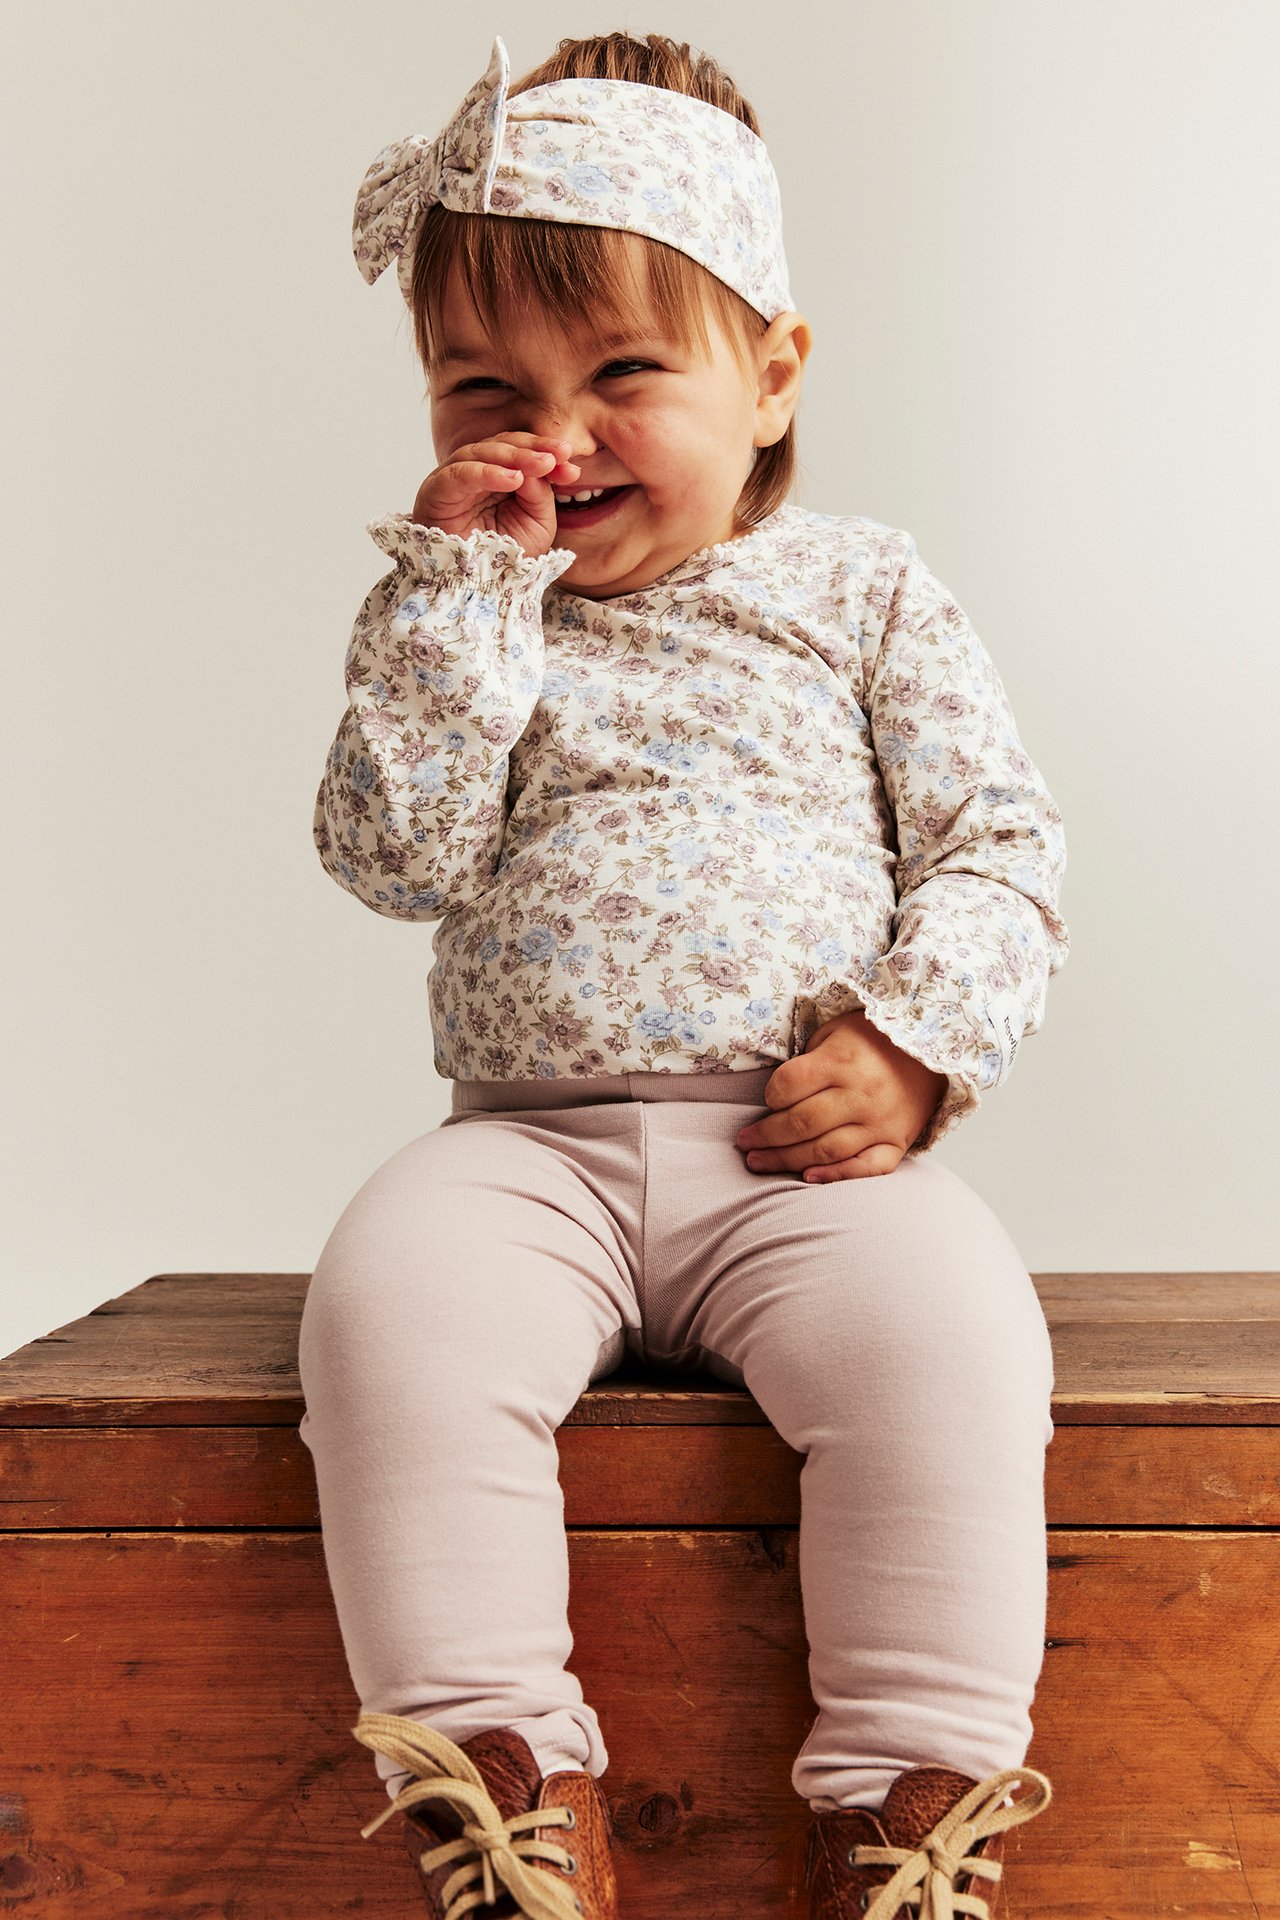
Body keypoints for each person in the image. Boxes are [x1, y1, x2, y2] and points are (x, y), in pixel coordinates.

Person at [298, 29, 1068, 1920]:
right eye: (488, 386)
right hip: (526, 1155)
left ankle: (911, 1814)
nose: (554, 436)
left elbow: (1004, 845)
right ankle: (503, 1800)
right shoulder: (463, 610)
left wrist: (914, 1046)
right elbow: (393, 861)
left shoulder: (864, 591)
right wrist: (457, 610)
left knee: (954, 1341)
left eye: (624, 374)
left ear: (772, 372)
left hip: (804, 1159)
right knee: (387, 1310)